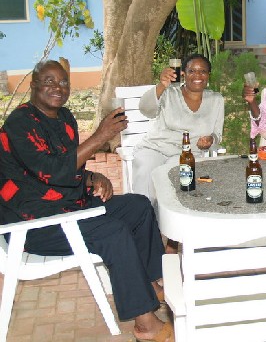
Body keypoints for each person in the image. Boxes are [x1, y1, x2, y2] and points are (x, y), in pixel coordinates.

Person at [0, 60, 173, 342]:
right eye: (49, 81)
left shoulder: (64, 118)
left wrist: (91, 177)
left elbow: (66, 167)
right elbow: (51, 170)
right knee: (113, 232)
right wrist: (101, 136)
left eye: (63, 82)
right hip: (35, 223)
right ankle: (145, 324)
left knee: (138, 206)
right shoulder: (20, 124)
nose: (58, 87)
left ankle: (149, 284)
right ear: (33, 85)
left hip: (67, 205)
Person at [134, 53, 224, 198]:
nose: (197, 75)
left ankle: (168, 217)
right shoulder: (169, 93)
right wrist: (161, 85)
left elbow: (217, 135)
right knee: (146, 171)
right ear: (183, 74)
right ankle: (142, 216)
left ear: (208, 75)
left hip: (187, 154)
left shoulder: (216, 100)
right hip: (155, 148)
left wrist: (210, 140)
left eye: (202, 71)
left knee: (180, 178)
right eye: (192, 71)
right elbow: (145, 109)